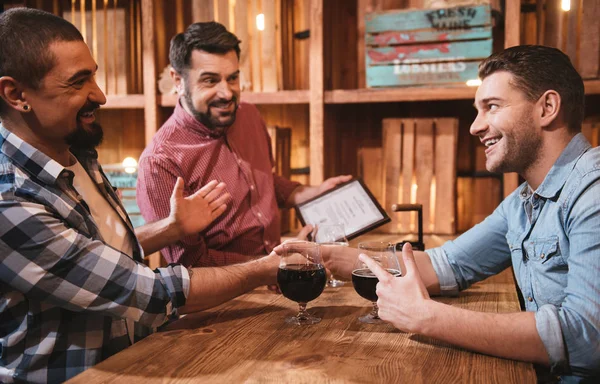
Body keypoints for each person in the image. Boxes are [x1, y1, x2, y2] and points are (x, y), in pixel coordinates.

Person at [0, 8, 309, 382]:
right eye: (78, 82)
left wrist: (169, 228)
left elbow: (93, 252)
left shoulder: (75, 152)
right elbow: (148, 291)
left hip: (138, 359)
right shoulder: (10, 201)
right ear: (16, 94)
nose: (100, 95)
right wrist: (267, 266)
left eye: (94, 76)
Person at [319, 45, 600, 382]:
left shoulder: (592, 191)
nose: (475, 127)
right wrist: (327, 256)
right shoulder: (523, 202)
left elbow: (586, 338)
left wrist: (427, 318)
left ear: (548, 108)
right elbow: (446, 264)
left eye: (491, 107)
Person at [136, 21, 351, 268]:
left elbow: (263, 181)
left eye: (233, 78)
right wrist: (273, 265)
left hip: (280, 272)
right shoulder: (160, 161)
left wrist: (311, 193)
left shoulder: (248, 115)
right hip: (229, 301)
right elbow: (192, 265)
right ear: (177, 80)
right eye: (210, 80)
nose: (227, 93)